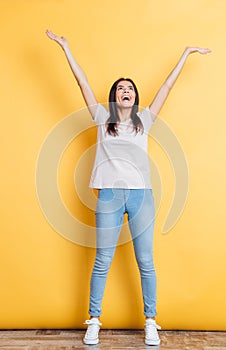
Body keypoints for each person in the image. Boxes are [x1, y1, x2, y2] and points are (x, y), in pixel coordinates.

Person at [45, 29, 211, 346]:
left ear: (134, 97)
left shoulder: (145, 120)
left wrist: (186, 53)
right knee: (103, 260)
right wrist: (66, 48)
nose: (126, 91)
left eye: (130, 89)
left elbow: (166, 86)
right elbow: (82, 83)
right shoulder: (100, 117)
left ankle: (151, 321)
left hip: (141, 197)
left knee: (145, 261)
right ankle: (93, 320)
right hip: (108, 195)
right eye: (121, 88)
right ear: (114, 95)